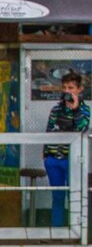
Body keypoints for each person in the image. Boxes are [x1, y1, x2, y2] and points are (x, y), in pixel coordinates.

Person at [43, 71, 90, 227]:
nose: (67, 91)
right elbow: (49, 131)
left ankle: (76, 232)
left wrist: (75, 109)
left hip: (72, 159)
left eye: (71, 87)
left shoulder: (84, 109)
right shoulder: (56, 109)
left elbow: (82, 128)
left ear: (79, 89)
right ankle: (57, 233)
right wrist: (46, 155)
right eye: (64, 87)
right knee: (57, 197)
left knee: (74, 196)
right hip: (53, 159)